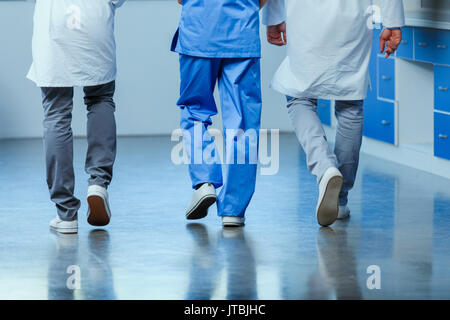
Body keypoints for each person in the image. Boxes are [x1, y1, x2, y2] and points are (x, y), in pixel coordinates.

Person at [262, 0, 405, 227]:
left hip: (305, 19)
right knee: (350, 104)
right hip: (354, 21)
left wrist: (273, 17)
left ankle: (324, 166)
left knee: (299, 97)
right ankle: (340, 200)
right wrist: (393, 22)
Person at [27, 0, 127, 234]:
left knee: (56, 113)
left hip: (54, 26)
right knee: (100, 100)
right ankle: (98, 184)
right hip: (95, 23)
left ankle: (66, 212)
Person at [172, 0, 267, 227]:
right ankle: (233, 209)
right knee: (244, 122)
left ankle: (205, 182)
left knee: (194, 110)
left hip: (199, 31)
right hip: (242, 33)